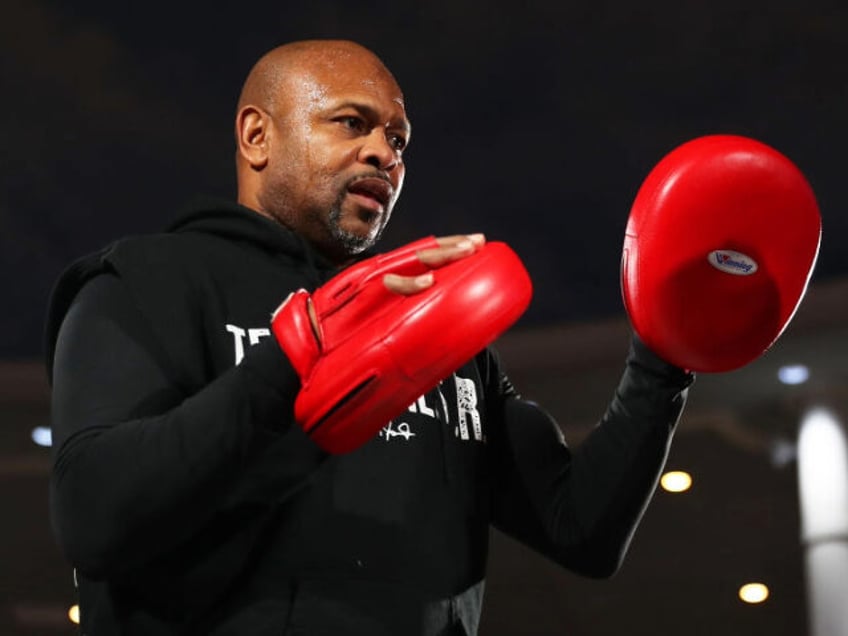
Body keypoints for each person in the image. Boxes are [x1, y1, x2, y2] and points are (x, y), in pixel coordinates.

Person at [44, 39, 694, 635]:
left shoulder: (435, 324)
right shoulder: (144, 280)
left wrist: (664, 357)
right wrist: (288, 364)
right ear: (256, 135)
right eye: (352, 123)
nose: (385, 152)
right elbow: (93, 517)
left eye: (399, 140)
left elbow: (580, 529)